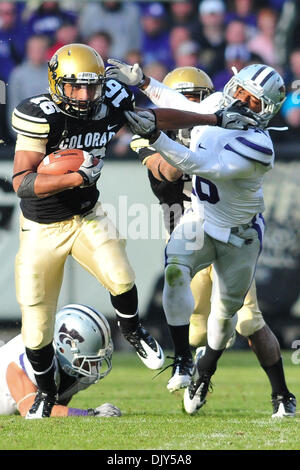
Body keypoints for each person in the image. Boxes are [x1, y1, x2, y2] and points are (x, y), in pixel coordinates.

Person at [107, 60, 296, 418]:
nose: (239, 100)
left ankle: (205, 370)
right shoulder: (216, 106)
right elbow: (188, 107)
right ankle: (182, 360)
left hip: (239, 236)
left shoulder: (259, 147)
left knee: (227, 320)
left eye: (251, 100)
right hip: (200, 219)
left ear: (265, 110)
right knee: (175, 270)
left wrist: (156, 135)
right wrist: (144, 82)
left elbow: (197, 165)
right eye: (238, 90)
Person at [11, 43, 165, 419]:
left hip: (86, 215)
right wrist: (74, 177)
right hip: (41, 227)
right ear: (56, 83)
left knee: (121, 274)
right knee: (36, 320)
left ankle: (133, 331)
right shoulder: (40, 114)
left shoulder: (110, 100)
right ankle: (46, 394)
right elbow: (21, 181)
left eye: (92, 86)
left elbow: (157, 116)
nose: (84, 95)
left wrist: (169, 119)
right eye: (75, 86)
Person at [0, 303, 121, 419]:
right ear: (66, 347)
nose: (95, 365)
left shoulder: (75, 369)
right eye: (90, 357)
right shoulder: (26, 359)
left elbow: (57, 405)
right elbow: (31, 409)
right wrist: (90, 414)